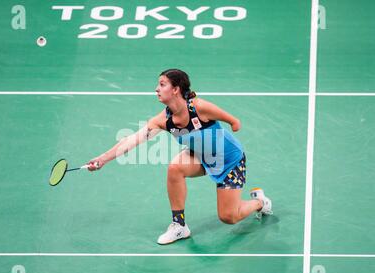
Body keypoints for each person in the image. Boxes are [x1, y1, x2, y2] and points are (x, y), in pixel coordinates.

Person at [87, 69, 272, 245]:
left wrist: (231, 126)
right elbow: (132, 140)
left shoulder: (199, 108)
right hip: (200, 156)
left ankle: (259, 202)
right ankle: (179, 225)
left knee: (229, 217)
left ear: (175, 89)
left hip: (229, 160)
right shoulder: (163, 120)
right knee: (175, 167)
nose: (156, 89)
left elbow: (234, 121)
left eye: (162, 84)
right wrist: (103, 158)